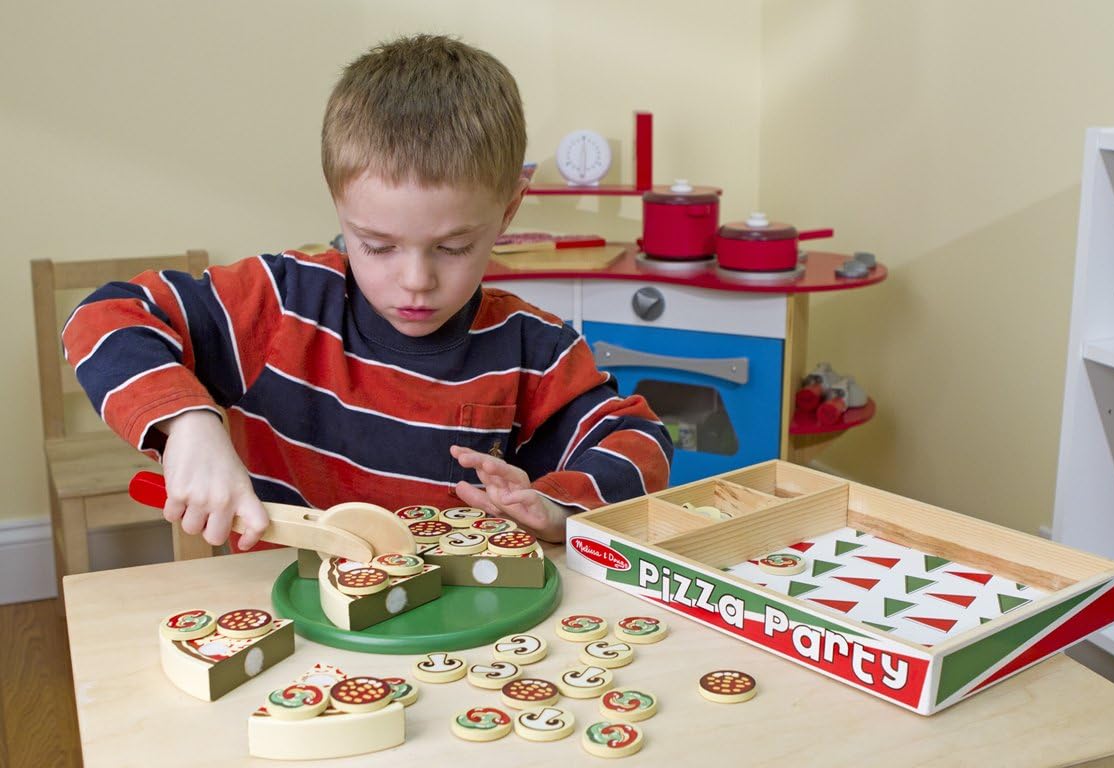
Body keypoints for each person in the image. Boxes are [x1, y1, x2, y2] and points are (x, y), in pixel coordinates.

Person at [62, 34, 672, 549]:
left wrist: (552, 506)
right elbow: (105, 316)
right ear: (340, 206)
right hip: (286, 629)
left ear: (509, 210)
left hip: (460, 637)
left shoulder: (533, 348)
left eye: (453, 246)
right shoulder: (280, 304)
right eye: (377, 245)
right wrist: (189, 425)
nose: (416, 280)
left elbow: (641, 442)